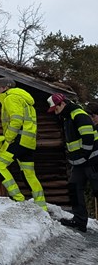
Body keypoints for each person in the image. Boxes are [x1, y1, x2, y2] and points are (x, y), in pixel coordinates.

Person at [0, 77, 47, 211]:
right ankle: (42, 206)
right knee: (29, 174)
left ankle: (18, 198)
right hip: (28, 141)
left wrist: (8, 139)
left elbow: (16, 120)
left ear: (5, 88)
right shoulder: (25, 100)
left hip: (18, 139)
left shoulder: (10, 98)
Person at [47, 93, 98, 232]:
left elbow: (88, 138)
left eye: (56, 109)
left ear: (62, 104)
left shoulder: (78, 115)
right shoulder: (67, 117)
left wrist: (83, 156)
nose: (55, 112)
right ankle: (79, 220)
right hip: (79, 162)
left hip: (91, 161)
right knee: (74, 188)